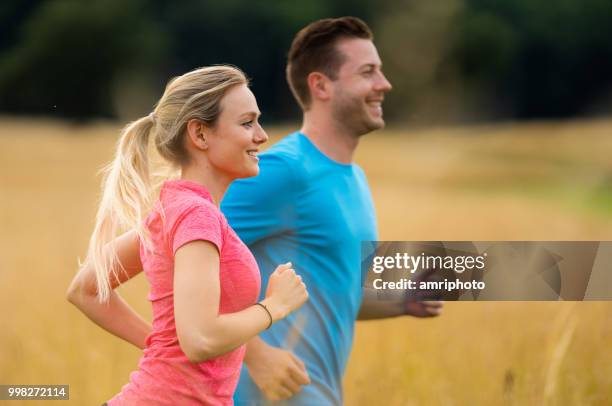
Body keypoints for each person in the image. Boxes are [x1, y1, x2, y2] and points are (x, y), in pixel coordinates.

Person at [222, 17, 443, 405]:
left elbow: (330, 290)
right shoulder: (282, 171)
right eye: (368, 72)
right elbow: (178, 261)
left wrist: (400, 300)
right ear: (321, 85)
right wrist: (255, 355)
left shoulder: (353, 178)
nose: (384, 84)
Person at [66, 66, 308, 405]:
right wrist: (274, 307)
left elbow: (85, 289)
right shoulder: (196, 215)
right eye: (247, 123)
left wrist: (161, 347)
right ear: (200, 134)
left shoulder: (174, 208)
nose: (262, 136)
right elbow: (200, 340)